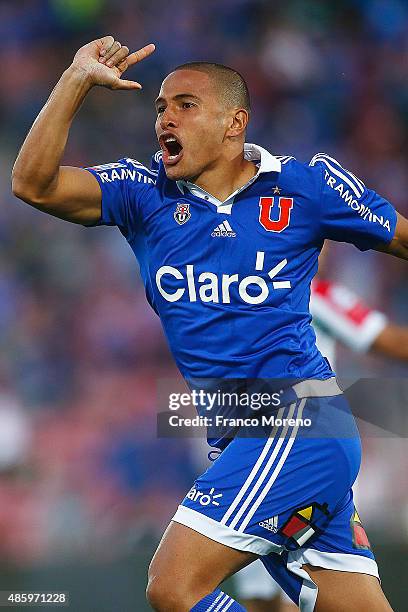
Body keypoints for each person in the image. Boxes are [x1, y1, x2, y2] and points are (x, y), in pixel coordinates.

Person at [12, 36, 408, 611]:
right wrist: (74, 80)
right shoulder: (142, 192)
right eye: (160, 107)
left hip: (300, 421)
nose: (164, 117)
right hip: (235, 434)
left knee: (173, 587)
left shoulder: (306, 185)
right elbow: (33, 184)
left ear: (234, 123)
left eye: (185, 104)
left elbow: (400, 236)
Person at [233, 256, 408, 612]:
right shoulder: (291, 294)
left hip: (298, 457)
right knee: (265, 597)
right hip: (258, 457)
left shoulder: (312, 296)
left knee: (295, 591)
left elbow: (389, 341)